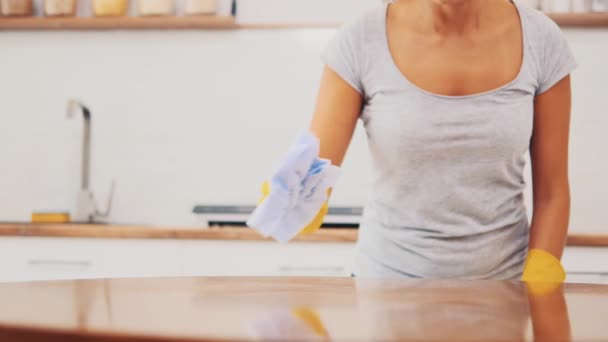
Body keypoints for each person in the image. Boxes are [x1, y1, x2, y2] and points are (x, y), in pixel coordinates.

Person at [308, 0, 576, 279]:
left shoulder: (541, 39)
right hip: (385, 290)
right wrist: (295, 198)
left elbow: (552, 193)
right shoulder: (360, 40)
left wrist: (540, 279)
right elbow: (313, 171)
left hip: (503, 292)